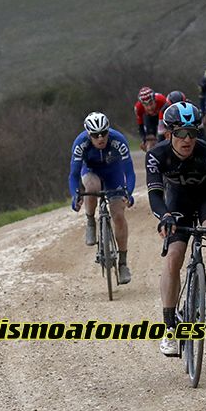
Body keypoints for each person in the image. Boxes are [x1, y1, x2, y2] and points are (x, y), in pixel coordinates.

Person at [146, 101, 206, 357]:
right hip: (177, 202)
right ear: (169, 133)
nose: (187, 139)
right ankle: (169, 327)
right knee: (173, 257)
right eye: (180, 133)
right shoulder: (157, 155)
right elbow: (155, 194)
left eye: (192, 132)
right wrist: (165, 216)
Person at [68, 112, 136, 284]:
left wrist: (129, 192)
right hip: (91, 171)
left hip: (114, 173)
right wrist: (75, 194)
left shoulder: (118, 140)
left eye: (104, 133)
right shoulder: (80, 143)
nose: (100, 138)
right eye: (95, 135)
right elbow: (73, 175)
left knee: (118, 216)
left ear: (108, 130)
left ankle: (123, 263)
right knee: (92, 188)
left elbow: (129, 171)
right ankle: (90, 220)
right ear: (88, 134)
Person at [134, 86, 168, 151]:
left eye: (151, 103)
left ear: (155, 100)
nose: (149, 108)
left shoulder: (162, 100)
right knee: (150, 139)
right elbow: (140, 126)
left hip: (163, 117)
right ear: (142, 104)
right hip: (150, 119)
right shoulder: (138, 108)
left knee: (165, 136)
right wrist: (144, 140)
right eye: (146, 105)